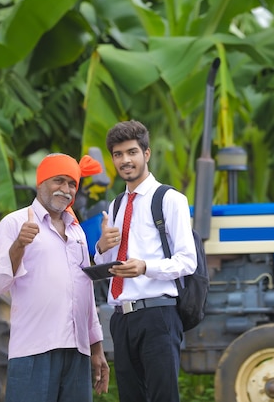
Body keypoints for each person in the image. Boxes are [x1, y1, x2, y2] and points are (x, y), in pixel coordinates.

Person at [0, 153, 110, 402]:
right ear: (40, 182)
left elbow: (85, 291)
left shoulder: (77, 231)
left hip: (77, 351)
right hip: (34, 350)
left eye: (72, 184)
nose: (65, 190)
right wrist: (20, 244)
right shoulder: (14, 223)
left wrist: (97, 347)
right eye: (59, 181)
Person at [94, 120, 197, 402]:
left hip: (158, 315)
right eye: (118, 154)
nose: (125, 160)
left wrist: (145, 267)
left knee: (163, 397)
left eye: (131, 152)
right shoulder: (115, 206)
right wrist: (101, 247)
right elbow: (110, 261)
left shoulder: (169, 199)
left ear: (146, 154)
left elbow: (188, 261)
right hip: (121, 319)